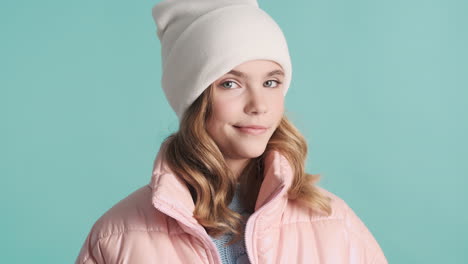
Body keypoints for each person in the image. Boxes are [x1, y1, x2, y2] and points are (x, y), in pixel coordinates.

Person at [75, 0, 388, 263]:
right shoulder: (116, 235)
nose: (258, 105)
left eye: (271, 82)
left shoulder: (334, 222)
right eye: (230, 83)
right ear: (194, 99)